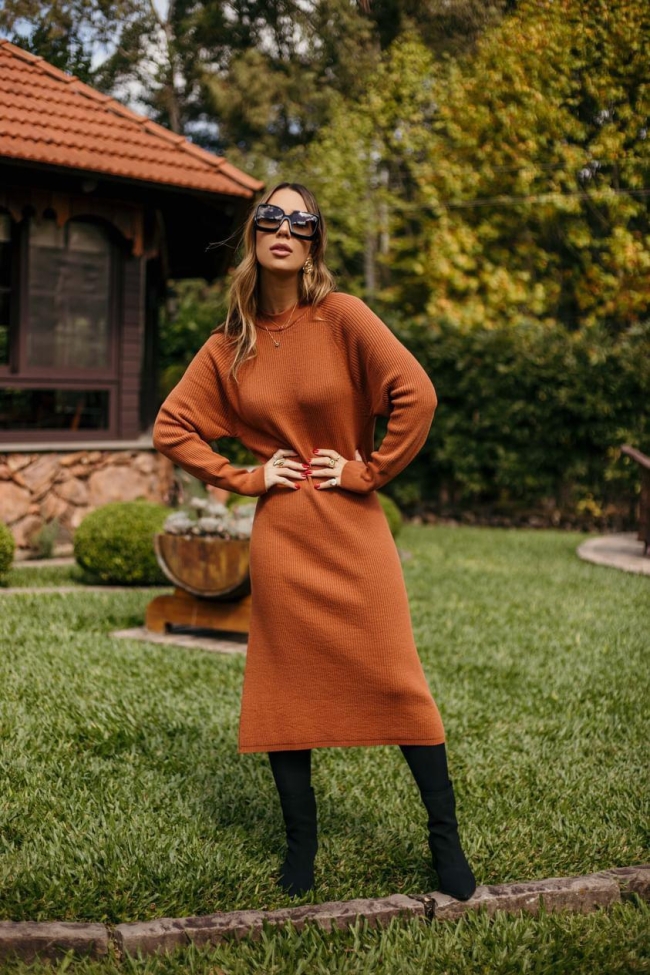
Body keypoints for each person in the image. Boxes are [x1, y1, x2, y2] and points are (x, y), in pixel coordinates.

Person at [152, 182, 476, 902]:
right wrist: (245, 476)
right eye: (272, 217)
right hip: (284, 537)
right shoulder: (229, 345)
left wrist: (369, 470)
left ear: (314, 243)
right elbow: (171, 426)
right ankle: (302, 849)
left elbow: (416, 393)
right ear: (254, 234)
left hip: (354, 530)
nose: (286, 229)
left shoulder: (342, 316)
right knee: (286, 692)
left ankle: (445, 843)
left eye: (302, 222)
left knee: (399, 679)